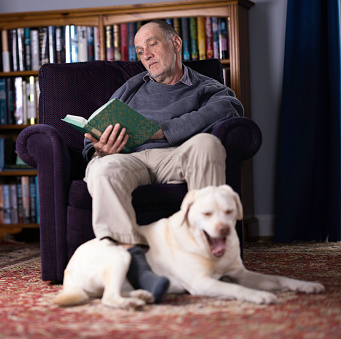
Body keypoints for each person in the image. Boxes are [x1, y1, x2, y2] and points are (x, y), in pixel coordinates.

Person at [82, 20, 244, 303]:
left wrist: (163, 130)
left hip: (176, 156)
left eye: (152, 44)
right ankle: (135, 264)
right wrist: (100, 147)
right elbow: (95, 127)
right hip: (128, 158)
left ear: (176, 44)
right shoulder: (131, 88)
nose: (145, 54)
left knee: (208, 143)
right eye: (139, 50)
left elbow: (230, 108)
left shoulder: (206, 87)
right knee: (101, 167)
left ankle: (206, 255)